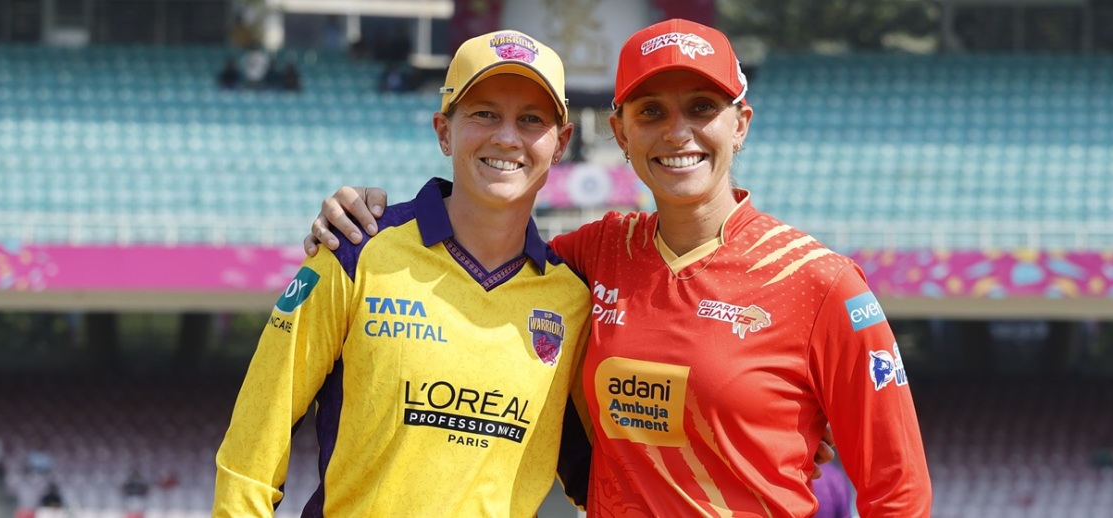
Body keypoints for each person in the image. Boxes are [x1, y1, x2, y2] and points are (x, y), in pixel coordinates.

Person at [305, 19, 931, 517]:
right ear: (620, 133)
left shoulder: (821, 284)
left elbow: (898, 492)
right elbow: (482, 254)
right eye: (651, 111)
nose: (677, 132)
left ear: (740, 125)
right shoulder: (592, 255)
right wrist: (371, 217)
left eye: (702, 107)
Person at [212, 29, 593, 517]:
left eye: (531, 119)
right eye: (484, 113)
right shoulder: (353, 251)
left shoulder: (572, 300)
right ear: (444, 131)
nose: (506, 136)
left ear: (560, 143)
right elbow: (250, 455)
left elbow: (604, 479)